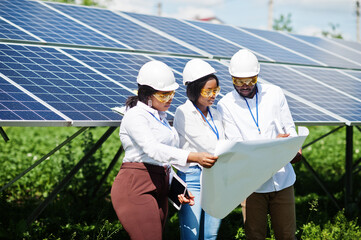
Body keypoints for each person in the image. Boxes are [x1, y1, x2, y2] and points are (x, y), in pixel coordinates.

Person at [110, 60, 218, 240]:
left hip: (160, 185)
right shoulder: (135, 115)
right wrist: (193, 157)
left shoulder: (161, 118)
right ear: (146, 94)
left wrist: (177, 188)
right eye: (163, 95)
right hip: (136, 185)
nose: (169, 99)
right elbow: (152, 150)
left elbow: (164, 160)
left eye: (171, 94)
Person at [217, 49, 300, 240]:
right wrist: (275, 145)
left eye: (251, 80)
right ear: (231, 77)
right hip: (251, 184)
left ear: (257, 75)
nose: (245, 85)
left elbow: (290, 129)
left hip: (282, 179)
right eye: (239, 81)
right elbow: (239, 147)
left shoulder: (275, 93)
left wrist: (294, 146)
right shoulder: (225, 105)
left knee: (287, 235)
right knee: (254, 236)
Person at [173, 59, 225, 240]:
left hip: (215, 175)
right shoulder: (183, 112)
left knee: (210, 234)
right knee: (191, 234)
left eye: (215, 90)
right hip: (192, 177)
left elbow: (223, 142)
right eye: (208, 91)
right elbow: (208, 145)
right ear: (194, 90)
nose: (213, 95)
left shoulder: (216, 113)